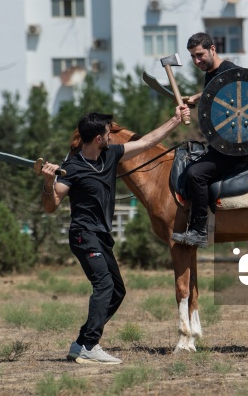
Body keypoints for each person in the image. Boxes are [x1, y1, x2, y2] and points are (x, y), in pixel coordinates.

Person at [41, 105, 190, 364]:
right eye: (108, 133)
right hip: (83, 234)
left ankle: (81, 343)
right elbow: (51, 206)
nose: (111, 137)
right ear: (98, 138)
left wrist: (175, 120)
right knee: (104, 285)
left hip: (101, 236)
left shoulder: (110, 155)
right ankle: (90, 345)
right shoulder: (72, 167)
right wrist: (46, 182)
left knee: (117, 291)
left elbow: (147, 142)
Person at [172, 32, 248, 248]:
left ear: (212, 49)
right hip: (220, 145)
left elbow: (238, 106)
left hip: (234, 149)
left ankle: (199, 231)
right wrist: (198, 98)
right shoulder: (212, 74)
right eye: (193, 57)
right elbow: (215, 95)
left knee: (196, 174)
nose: (197, 61)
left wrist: (204, 98)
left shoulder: (231, 72)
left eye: (200, 55)